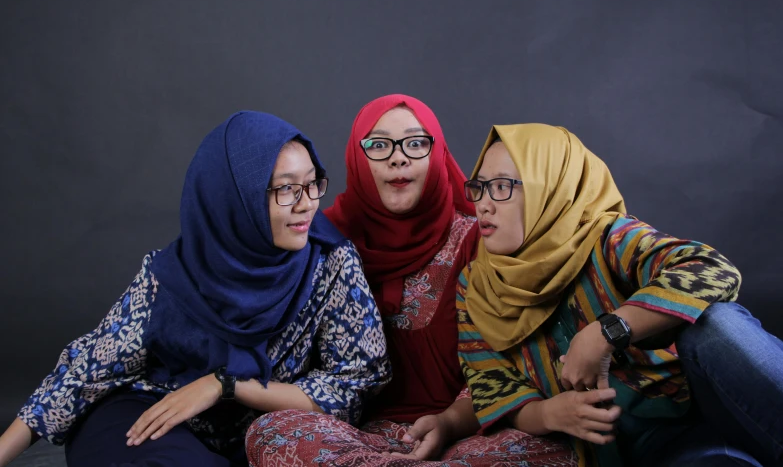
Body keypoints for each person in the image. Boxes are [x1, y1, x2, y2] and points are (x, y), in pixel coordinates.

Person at [0, 111, 390, 467]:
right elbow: (85, 371)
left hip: (270, 430)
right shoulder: (173, 274)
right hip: (158, 411)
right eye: (287, 189)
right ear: (235, 199)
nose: (307, 205)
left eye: (312, 184)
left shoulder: (330, 261)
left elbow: (355, 384)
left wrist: (227, 386)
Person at [245, 96, 577, 466]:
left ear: (437, 155)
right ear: (357, 157)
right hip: (356, 439)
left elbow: (503, 364)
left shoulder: (479, 241)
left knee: (554, 450)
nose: (398, 157)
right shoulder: (322, 241)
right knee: (272, 431)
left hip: (470, 433)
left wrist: (449, 422)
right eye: (379, 144)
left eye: (416, 143)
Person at [456, 123, 783, 466]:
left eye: (502, 186)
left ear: (552, 186)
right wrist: (548, 414)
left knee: (716, 323)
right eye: (478, 187)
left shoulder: (608, 238)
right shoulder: (476, 287)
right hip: (653, 447)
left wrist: (606, 333)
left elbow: (712, 269)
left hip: (710, 398)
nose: (483, 205)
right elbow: (491, 384)